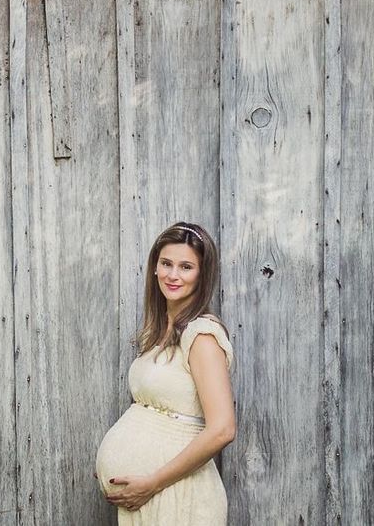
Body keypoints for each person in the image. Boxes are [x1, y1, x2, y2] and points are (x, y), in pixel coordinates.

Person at [94, 222, 236, 524]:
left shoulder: (202, 336)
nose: (173, 275)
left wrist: (152, 481)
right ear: (154, 268)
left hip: (179, 495)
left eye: (186, 267)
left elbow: (223, 428)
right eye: (166, 263)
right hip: (153, 497)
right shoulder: (161, 332)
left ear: (202, 275)